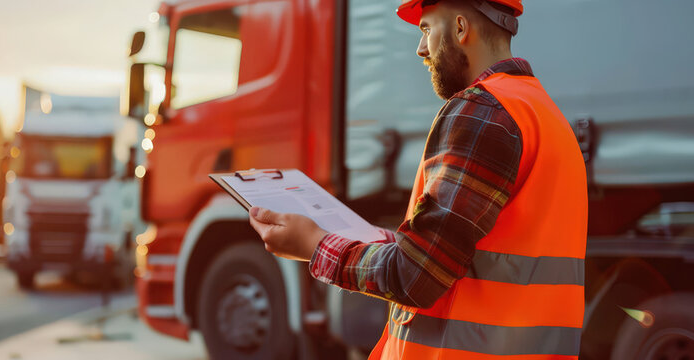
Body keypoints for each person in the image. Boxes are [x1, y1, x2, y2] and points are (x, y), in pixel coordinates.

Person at [248, 0, 588, 359]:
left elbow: (416, 275)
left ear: (460, 28)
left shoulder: (482, 111)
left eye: (426, 29)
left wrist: (315, 246)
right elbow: (467, 253)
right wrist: (374, 239)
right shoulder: (545, 116)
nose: (421, 48)